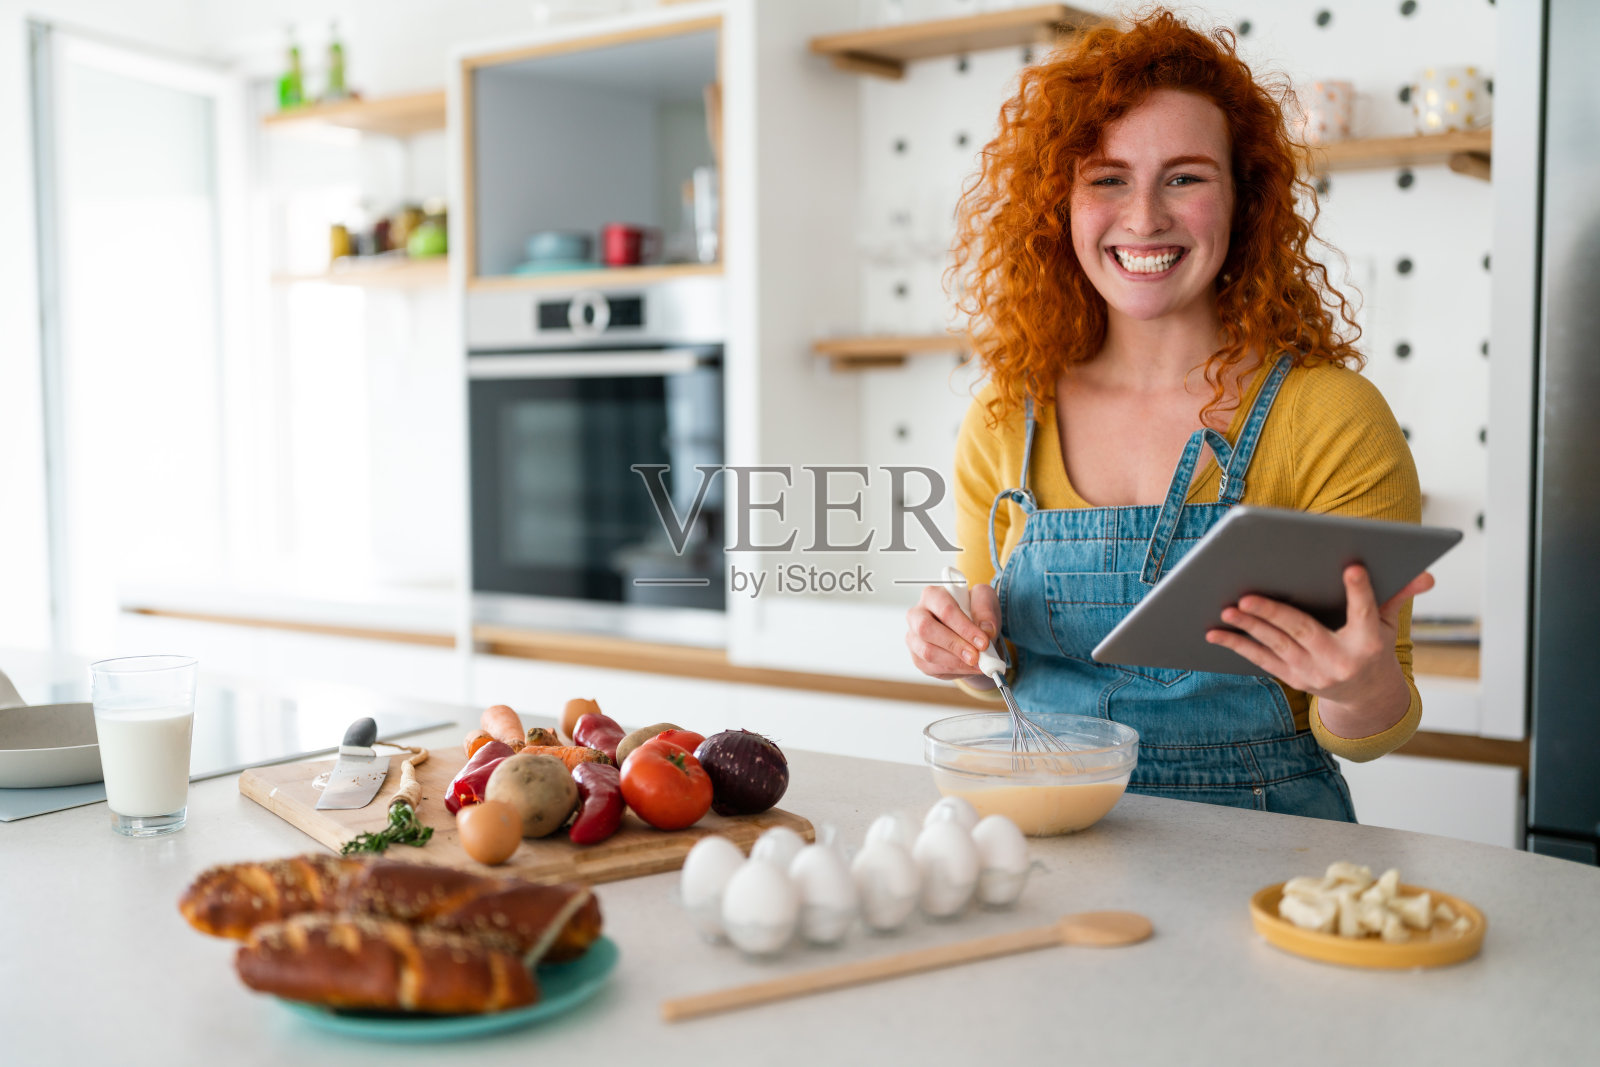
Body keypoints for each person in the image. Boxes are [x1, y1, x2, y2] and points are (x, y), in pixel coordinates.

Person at [904, 10, 1432, 820]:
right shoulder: (1006, 414)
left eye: (1185, 178)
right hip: (1049, 827)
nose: (1145, 216)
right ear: (1059, 203)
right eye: (1107, 178)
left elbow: (1368, 730)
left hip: (1265, 843)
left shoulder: (1332, 417)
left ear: (1244, 199)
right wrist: (962, 649)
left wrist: (1360, 684)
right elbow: (996, 663)